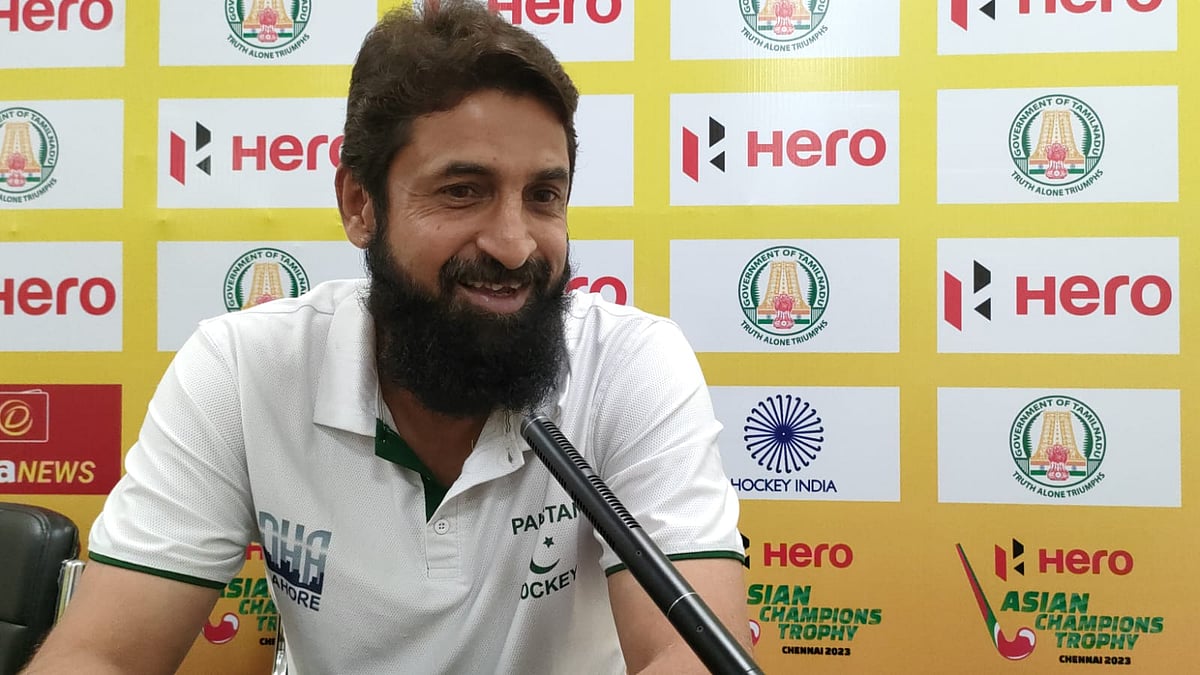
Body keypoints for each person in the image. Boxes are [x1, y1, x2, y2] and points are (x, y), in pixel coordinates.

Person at [23, 2, 749, 673]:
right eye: (462, 191)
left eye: (543, 196)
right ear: (359, 205)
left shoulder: (629, 363)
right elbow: (102, 655)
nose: (514, 243)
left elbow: (688, 657)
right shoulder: (244, 367)